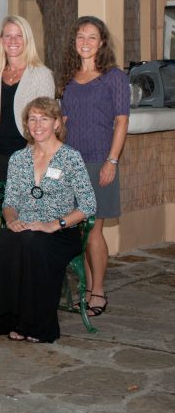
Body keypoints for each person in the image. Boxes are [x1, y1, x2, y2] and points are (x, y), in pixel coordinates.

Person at [0, 97, 96, 343]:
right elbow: (10, 202)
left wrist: (54, 225)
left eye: (44, 118)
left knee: (35, 244)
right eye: (32, 119)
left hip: (61, 231)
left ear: (56, 123)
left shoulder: (70, 158)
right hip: (25, 227)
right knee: (4, 240)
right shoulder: (18, 159)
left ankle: (37, 325)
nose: (38, 124)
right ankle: (9, 319)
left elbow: (88, 205)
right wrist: (12, 221)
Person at [59, 16, 129, 318]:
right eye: (80, 37)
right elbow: (62, 121)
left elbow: (122, 121)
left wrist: (112, 161)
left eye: (91, 37)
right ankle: (87, 290)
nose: (85, 42)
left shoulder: (114, 77)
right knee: (81, 231)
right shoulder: (68, 77)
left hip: (100, 161)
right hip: (71, 163)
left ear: (101, 42)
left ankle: (98, 291)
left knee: (94, 229)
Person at [0, 15, 55, 189]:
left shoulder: (41, 75)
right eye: (8, 35)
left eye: (19, 35)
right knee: (5, 215)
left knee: (27, 215)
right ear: (1, 40)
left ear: (27, 40)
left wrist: (33, 161)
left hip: (29, 157)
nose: (13, 40)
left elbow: (45, 124)